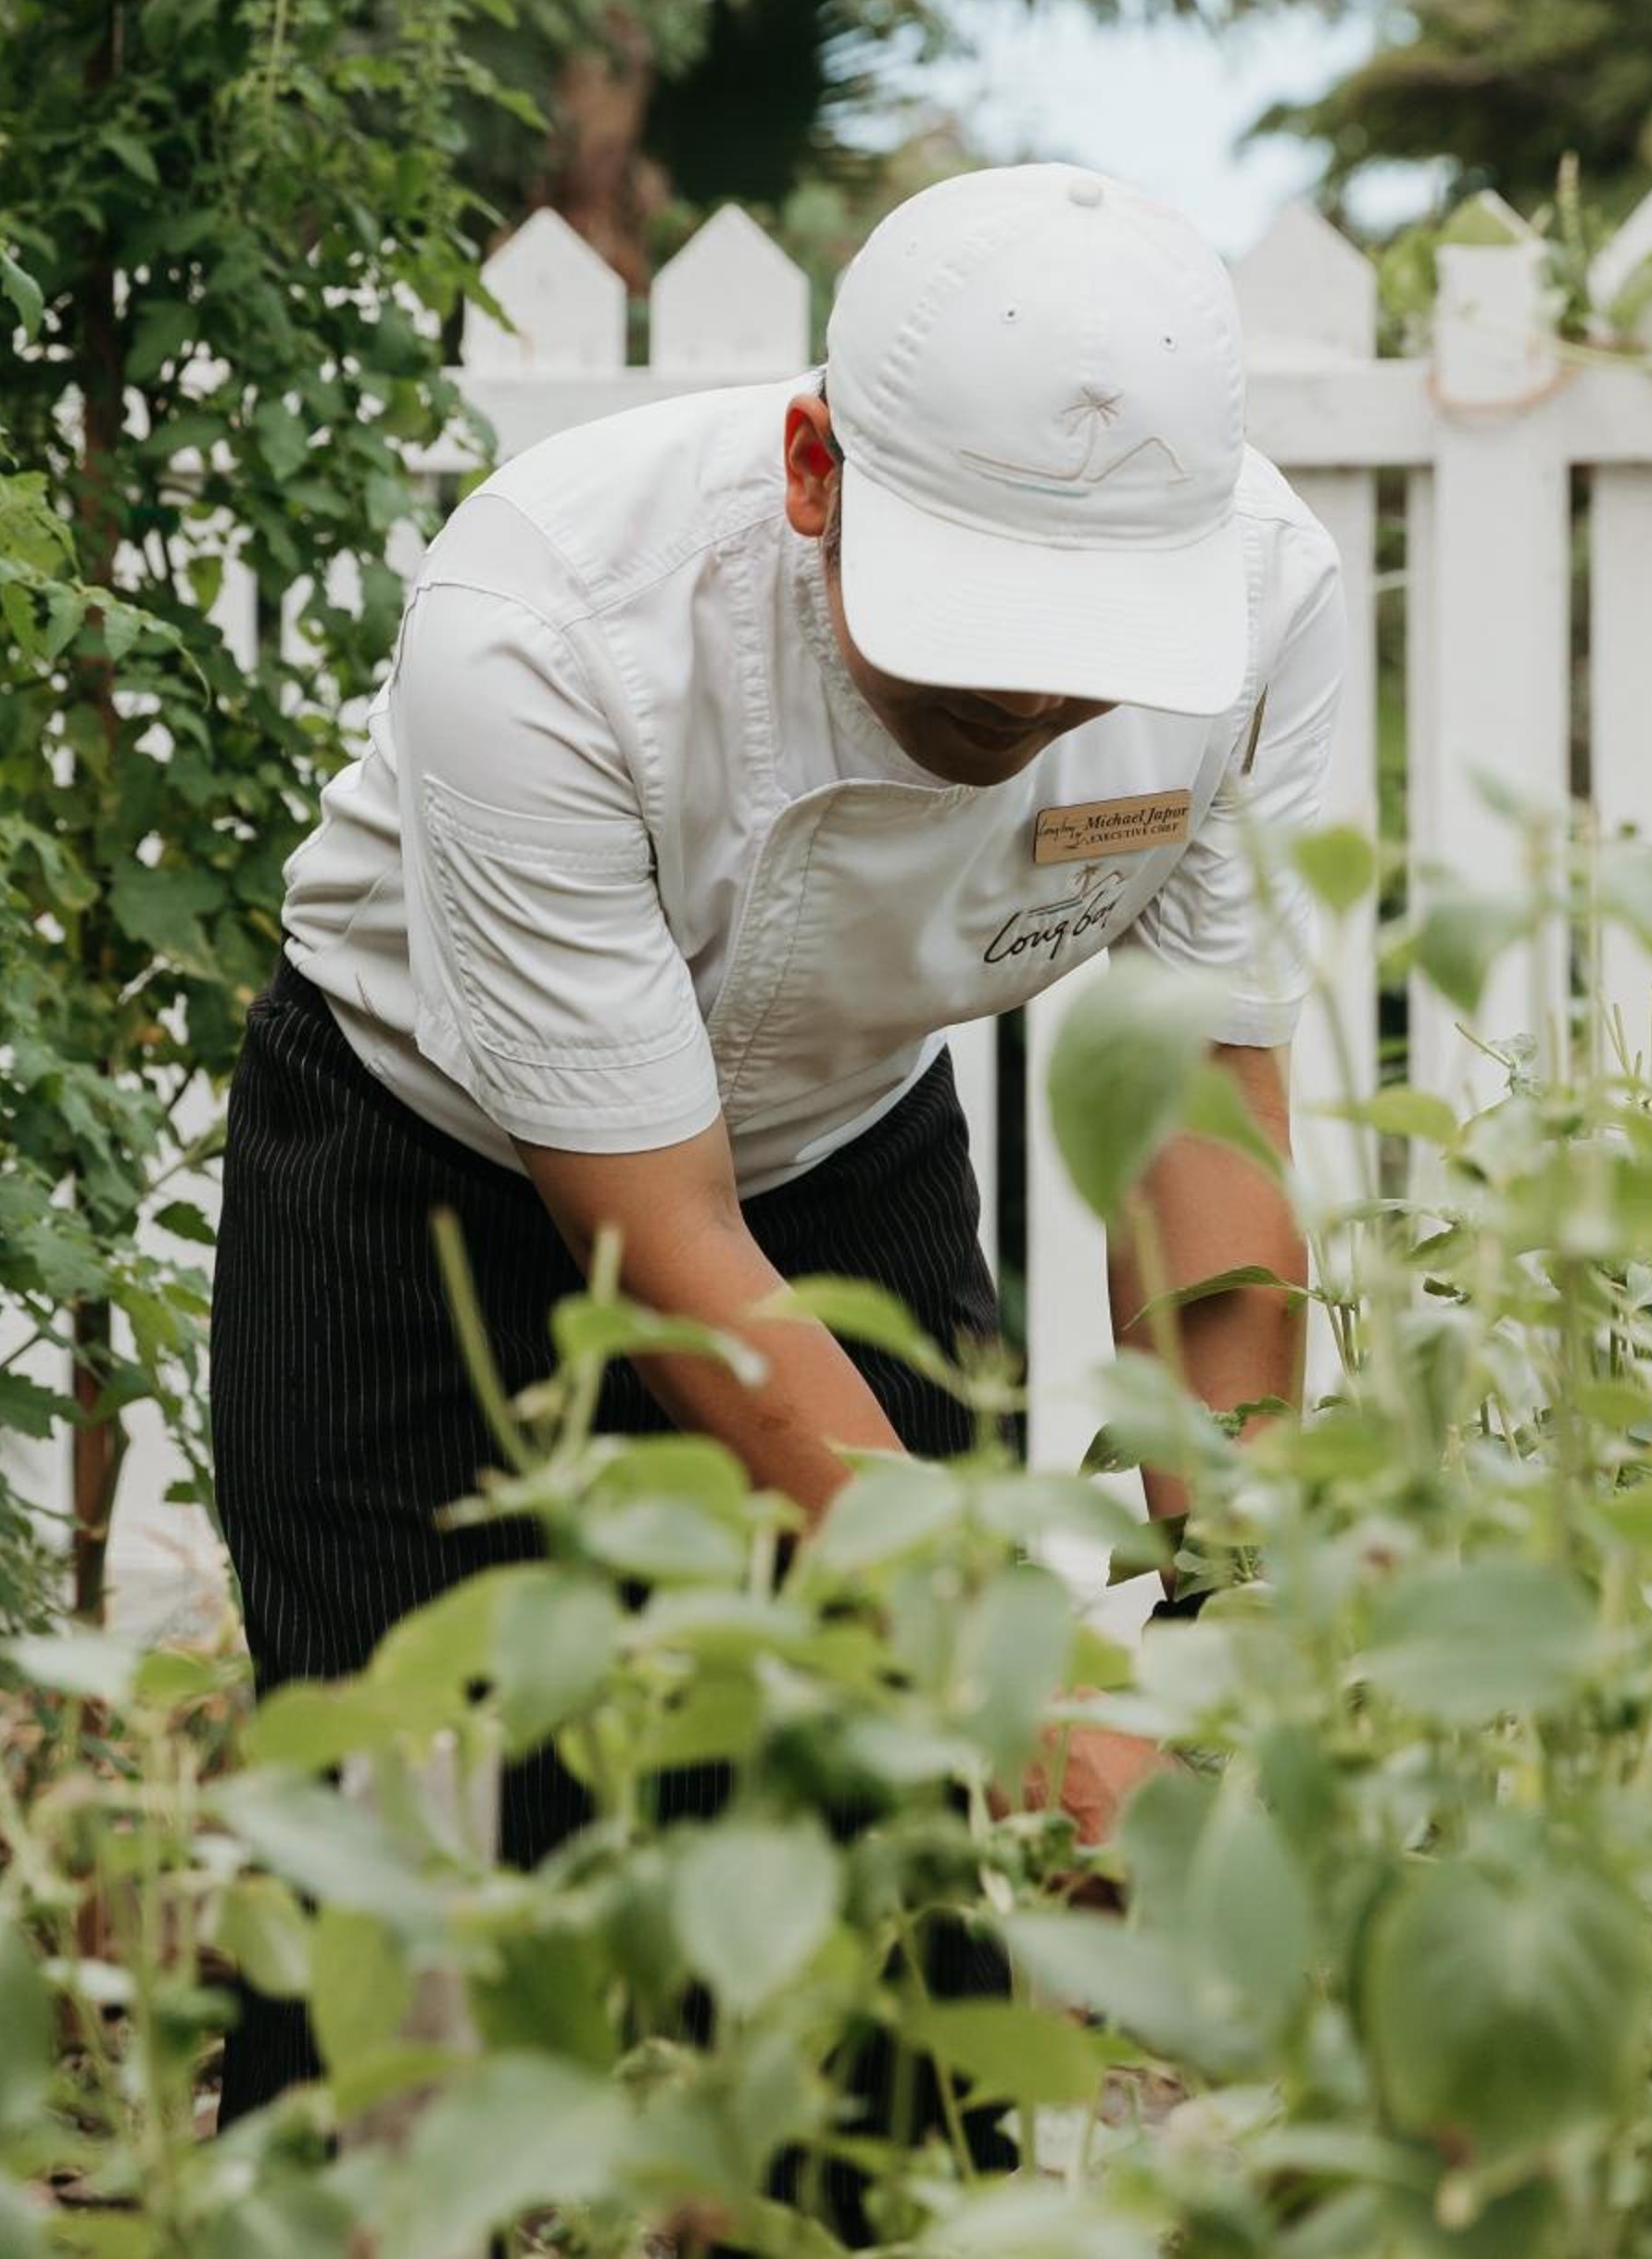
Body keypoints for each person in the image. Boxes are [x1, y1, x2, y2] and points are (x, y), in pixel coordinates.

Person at [205, 159, 1349, 2202]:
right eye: (980, 629)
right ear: (816, 470)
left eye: (1087, 644)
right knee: (414, 1875)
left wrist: (1230, 1630)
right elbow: (660, 1238)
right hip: (418, 1177)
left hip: (835, 1155)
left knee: (892, 1895)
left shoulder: (1262, 606)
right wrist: (1026, 1678)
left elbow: (1204, 1131)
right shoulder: (544, 615)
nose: (1037, 699)